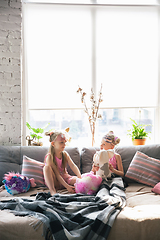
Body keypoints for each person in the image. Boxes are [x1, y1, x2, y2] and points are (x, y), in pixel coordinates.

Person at [43, 129, 81, 196]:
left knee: (80, 181)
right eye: (61, 142)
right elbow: (57, 174)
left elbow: (73, 166)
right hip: (55, 181)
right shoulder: (49, 157)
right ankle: (52, 191)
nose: (64, 144)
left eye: (65, 142)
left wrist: (80, 177)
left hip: (65, 178)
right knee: (46, 168)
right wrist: (67, 187)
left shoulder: (65, 154)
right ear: (53, 144)